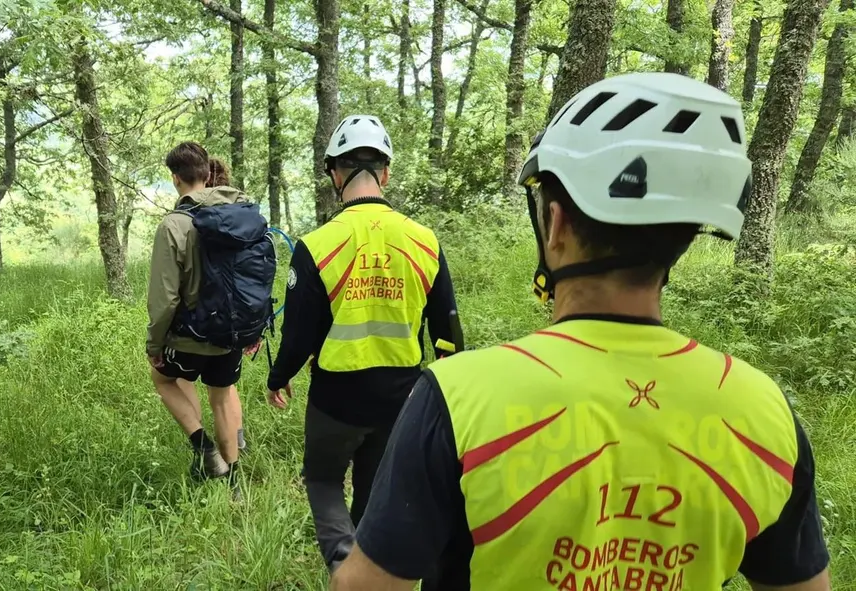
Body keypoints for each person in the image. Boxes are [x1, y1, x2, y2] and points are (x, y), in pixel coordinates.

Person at [331, 74, 830, 591]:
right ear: (682, 237)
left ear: (557, 225)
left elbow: (363, 586)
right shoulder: (761, 409)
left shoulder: (458, 397)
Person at [266, 114, 464, 572]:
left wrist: (279, 376)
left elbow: (298, 335)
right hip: (402, 397)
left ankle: (343, 568)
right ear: (386, 173)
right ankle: (365, 570)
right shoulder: (425, 241)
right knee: (374, 490)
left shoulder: (316, 245)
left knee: (322, 480)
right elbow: (448, 333)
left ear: (335, 174)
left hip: (336, 398)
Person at [147, 141, 260, 490]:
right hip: (231, 333)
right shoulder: (242, 213)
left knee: (163, 379)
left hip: (188, 335)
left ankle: (204, 448)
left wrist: (154, 343)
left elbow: (165, 298)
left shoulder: (174, 225)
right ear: (206, 174)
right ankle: (234, 483)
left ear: (176, 178)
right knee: (223, 395)